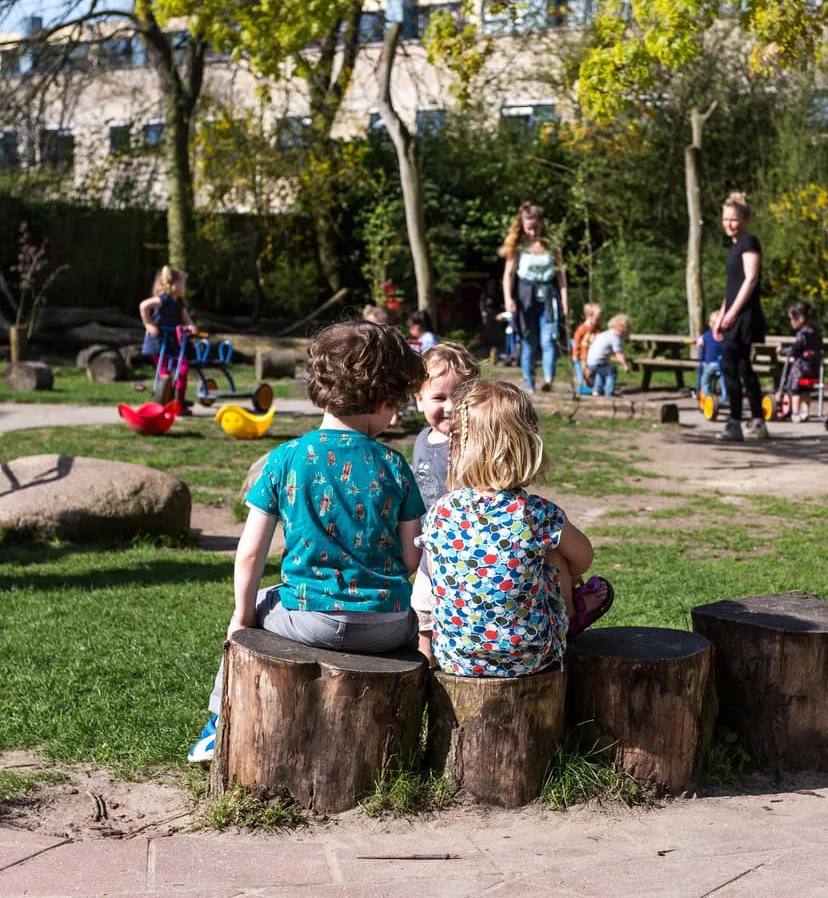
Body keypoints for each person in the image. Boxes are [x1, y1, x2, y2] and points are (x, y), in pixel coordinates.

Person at [187, 319, 427, 763]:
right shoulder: (395, 465)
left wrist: (243, 617)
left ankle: (217, 725)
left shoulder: (285, 458)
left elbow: (252, 552)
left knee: (259, 602)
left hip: (306, 617)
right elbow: (412, 557)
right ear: (379, 398)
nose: (396, 415)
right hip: (388, 625)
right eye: (395, 403)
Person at [419, 379, 613, 676]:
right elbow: (584, 557)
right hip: (530, 656)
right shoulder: (538, 514)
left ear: (457, 446)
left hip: (454, 656)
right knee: (557, 557)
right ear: (528, 445)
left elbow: (435, 574)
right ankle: (570, 617)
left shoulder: (441, 510)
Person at [409, 343, 482, 658]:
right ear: (419, 400)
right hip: (431, 547)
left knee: (467, 610)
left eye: (461, 398)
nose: (450, 407)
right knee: (422, 611)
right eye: (439, 398)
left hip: (470, 547)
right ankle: (425, 668)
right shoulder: (422, 440)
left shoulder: (475, 444)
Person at [714, 192, 769, 442]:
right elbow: (732, 286)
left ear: (744, 219)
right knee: (742, 367)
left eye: (734, 219)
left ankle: (735, 422)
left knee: (729, 365)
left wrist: (733, 313)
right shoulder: (735, 246)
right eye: (726, 219)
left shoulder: (749, 242)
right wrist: (720, 316)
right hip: (734, 314)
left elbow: (750, 279)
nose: (729, 224)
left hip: (745, 316)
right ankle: (757, 420)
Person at [500, 202, 569, 394]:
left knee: (548, 340)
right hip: (525, 297)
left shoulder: (551, 246)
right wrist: (508, 299)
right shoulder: (518, 247)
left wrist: (564, 300)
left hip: (548, 297)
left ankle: (548, 379)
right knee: (528, 341)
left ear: (541, 223)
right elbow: (508, 275)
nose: (532, 232)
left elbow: (561, 276)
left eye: (535, 227)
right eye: (528, 228)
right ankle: (529, 384)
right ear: (522, 225)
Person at [139, 265, 196, 415]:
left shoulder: (179, 303)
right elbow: (144, 305)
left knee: (182, 370)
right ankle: (165, 399)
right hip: (160, 341)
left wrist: (191, 327)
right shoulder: (163, 299)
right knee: (164, 372)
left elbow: (187, 319)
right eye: (183, 284)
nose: (185, 287)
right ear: (174, 284)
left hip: (175, 341)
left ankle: (180, 402)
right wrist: (148, 324)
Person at [780, 300, 823, 422]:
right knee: (806, 390)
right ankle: (805, 412)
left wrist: (782, 350)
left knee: (796, 390)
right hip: (813, 368)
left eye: (792, 319)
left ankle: (795, 412)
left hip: (801, 368)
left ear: (800, 318)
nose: (791, 322)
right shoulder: (815, 332)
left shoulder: (801, 334)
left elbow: (795, 350)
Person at [585, 313, 632, 397]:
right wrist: (625, 365)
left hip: (590, 361)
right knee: (611, 372)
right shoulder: (614, 337)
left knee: (602, 372)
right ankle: (609, 392)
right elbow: (619, 354)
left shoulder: (606, 333)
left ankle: (596, 390)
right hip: (598, 361)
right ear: (622, 329)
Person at [571, 302, 603, 393]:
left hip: (594, 355)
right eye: (597, 319)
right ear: (589, 316)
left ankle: (593, 386)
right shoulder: (582, 329)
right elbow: (576, 342)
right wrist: (575, 354)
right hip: (583, 356)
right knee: (584, 371)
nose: (598, 321)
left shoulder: (597, 328)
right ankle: (583, 386)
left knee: (592, 372)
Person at [697, 309, 725, 400]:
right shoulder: (726, 336)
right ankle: (726, 398)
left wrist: (700, 341)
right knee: (724, 382)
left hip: (710, 365)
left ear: (710, 324)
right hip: (723, 365)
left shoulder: (707, 335)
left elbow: (700, 341)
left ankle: (707, 396)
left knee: (704, 381)